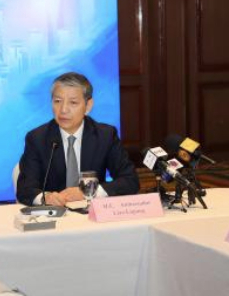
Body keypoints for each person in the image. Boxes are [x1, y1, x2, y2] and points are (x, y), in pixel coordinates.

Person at [16, 72, 139, 206]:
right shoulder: (37, 138)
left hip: (92, 216)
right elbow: (24, 190)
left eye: (73, 102)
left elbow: (130, 180)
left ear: (88, 106)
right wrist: (46, 198)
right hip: (55, 218)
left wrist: (90, 192)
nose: (63, 110)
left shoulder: (105, 135)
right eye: (57, 101)